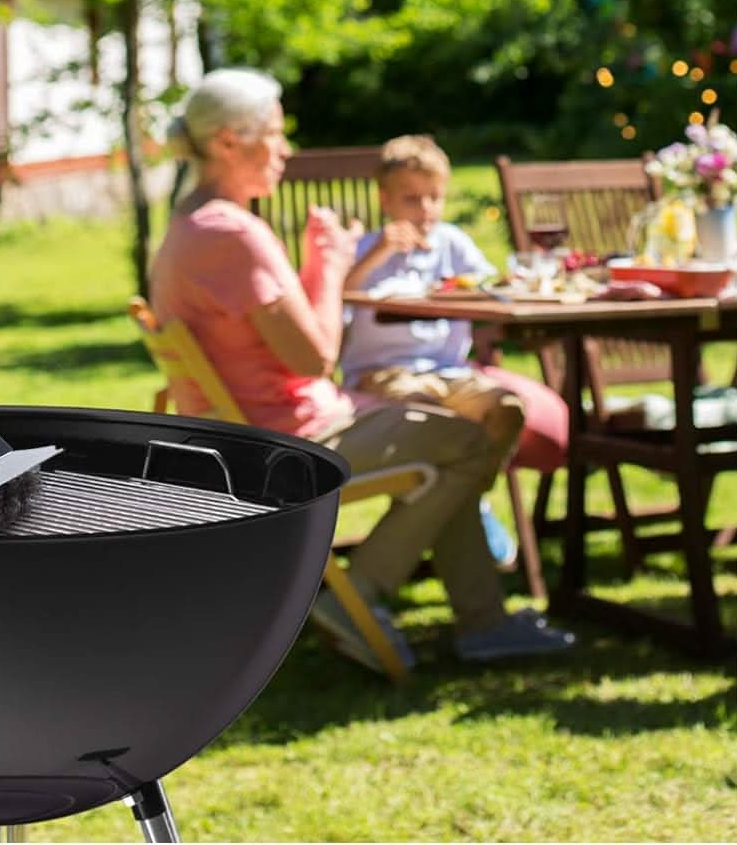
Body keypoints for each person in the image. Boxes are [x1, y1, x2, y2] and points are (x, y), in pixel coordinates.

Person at [148, 69, 575, 675]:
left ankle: (484, 622)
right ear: (225, 142)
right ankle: (362, 596)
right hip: (291, 443)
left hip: (260, 429)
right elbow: (316, 355)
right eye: (274, 134)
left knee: (452, 430)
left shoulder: (192, 226)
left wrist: (327, 266)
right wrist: (334, 260)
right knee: (468, 442)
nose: (285, 151)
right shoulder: (231, 234)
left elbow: (289, 340)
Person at [340, 135, 571, 571]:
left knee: (505, 409)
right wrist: (379, 253)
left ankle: (470, 500)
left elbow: (491, 289)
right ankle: (458, 512)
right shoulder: (367, 249)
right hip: (382, 372)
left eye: (434, 198)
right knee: (439, 422)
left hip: (450, 369)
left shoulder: (452, 243)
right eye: (412, 199)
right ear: (385, 200)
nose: (425, 210)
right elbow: (340, 298)